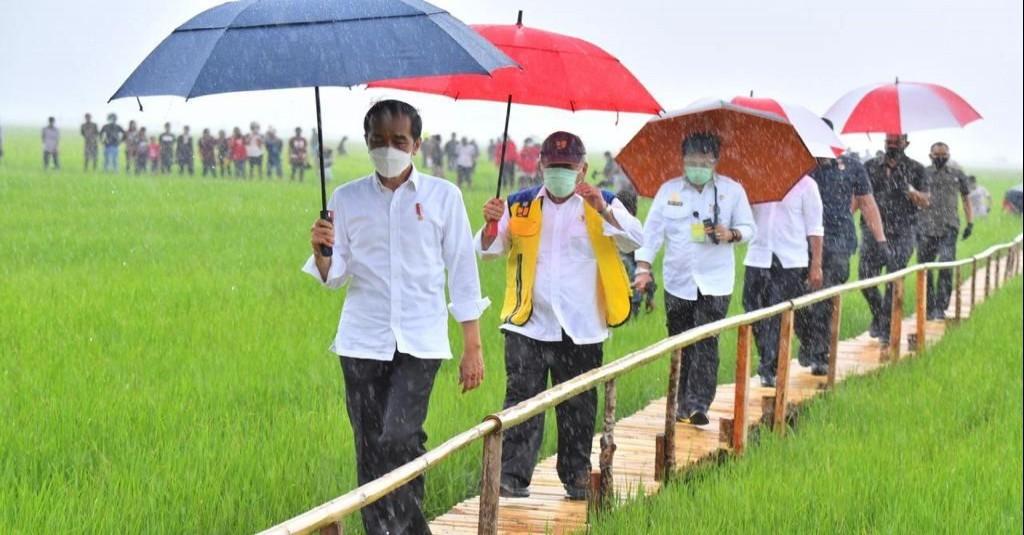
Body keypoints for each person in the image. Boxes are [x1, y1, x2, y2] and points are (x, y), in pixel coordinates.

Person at [304, 100, 487, 535]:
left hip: (420, 342)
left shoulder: (444, 196)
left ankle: (407, 531)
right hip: (361, 341)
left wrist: (472, 347)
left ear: (417, 144)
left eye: (398, 141)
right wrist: (322, 253)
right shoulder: (347, 199)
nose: (388, 149)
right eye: (378, 141)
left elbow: (462, 269)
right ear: (367, 143)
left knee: (400, 438)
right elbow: (336, 277)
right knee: (369, 447)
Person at [478, 131, 642, 501]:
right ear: (540, 166)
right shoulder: (518, 205)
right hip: (528, 322)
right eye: (553, 167)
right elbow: (489, 250)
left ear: (583, 169)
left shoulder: (603, 203)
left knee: (579, 406)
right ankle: (511, 477)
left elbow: (636, 239)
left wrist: (604, 207)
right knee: (522, 402)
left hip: (582, 327)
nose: (560, 174)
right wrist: (490, 223)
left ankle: (576, 476)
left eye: (568, 168)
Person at [633, 132, 756, 425]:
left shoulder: (731, 191)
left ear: (715, 161)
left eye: (704, 161)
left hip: (716, 281)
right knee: (680, 342)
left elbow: (749, 228)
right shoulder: (669, 192)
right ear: (682, 160)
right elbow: (651, 234)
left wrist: (731, 234)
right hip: (678, 280)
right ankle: (680, 400)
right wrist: (643, 268)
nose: (697, 167)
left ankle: (699, 402)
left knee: (706, 339)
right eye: (691, 161)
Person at [796, 123, 888, 374]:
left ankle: (820, 352)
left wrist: (880, 240)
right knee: (798, 298)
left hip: (839, 241)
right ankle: (807, 341)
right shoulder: (799, 165)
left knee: (825, 295)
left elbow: (868, 204)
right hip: (802, 241)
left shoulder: (851, 167)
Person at [743, 174, 824, 385]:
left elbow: (815, 228)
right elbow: (747, 218)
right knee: (752, 310)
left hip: (789, 260)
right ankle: (768, 356)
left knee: (777, 314)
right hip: (757, 256)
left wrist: (816, 265)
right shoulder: (758, 182)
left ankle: (770, 367)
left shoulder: (807, 186)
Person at [860, 134, 930, 345]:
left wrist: (909, 189)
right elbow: (859, 196)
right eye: (888, 142)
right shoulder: (870, 166)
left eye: (896, 142)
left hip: (903, 231)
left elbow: (926, 201)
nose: (892, 145)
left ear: (906, 144)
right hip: (873, 231)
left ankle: (885, 328)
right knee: (865, 278)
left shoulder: (917, 169)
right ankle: (880, 316)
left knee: (894, 277)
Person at [916, 142, 974, 320]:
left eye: (944, 154)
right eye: (937, 154)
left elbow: (965, 199)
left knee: (946, 264)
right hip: (926, 227)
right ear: (930, 155)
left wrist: (970, 222)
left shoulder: (957, 175)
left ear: (948, 155)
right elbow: (913, 197)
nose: (940, 157)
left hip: (949, 227)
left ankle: (940, 306)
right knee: (925, 268)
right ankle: (928, 305)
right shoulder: (922, 174)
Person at [616, 188, 656, 316]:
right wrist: (650, 297)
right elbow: (646, 269)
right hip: (631, 293)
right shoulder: (635, 231)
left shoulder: (608, 225)